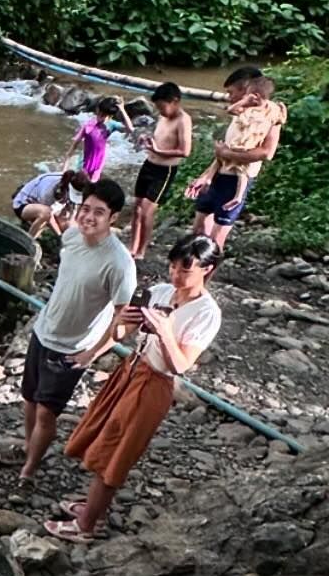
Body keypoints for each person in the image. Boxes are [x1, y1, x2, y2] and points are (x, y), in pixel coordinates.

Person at [46, 234, 223, 542]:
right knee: (103, 436)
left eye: (185, 270)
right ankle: (92, 510)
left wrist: (165, 331)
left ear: (206, 270)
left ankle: (86, 526)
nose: (175, 276)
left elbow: (181, 365)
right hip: (131, 369)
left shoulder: (207, 313)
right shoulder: (162, 292)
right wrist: (122, 321)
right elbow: (121, 333)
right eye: (172, 268)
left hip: (155, 382)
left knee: (117, 452)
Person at [19, 178, 137, 486]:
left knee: (47, 412)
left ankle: (29, 469)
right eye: (85, 209)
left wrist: (91, 353)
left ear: (113, 218)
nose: (89, 217)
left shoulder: (119, 264)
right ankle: (26, 446)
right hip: (44, 331)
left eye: (99, 212)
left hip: (73, 347)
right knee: (29, 400)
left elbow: (126, 319)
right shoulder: (71, 237)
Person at [187, 69, 287, 247]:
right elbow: (226, 148)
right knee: (198, 231)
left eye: (231, 92)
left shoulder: (269, 115)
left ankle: (205, 273)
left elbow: (267, 153)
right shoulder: (241, 112)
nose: (229, 97)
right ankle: (192, 272)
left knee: (215, 241)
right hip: (219, 173)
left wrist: (227, 154)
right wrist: (206, 176)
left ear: (246, 91)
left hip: (237, 179)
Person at [128, 82, 193, 260]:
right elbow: (159, 137)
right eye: (158, 107)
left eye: (162, 107)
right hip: (149, 164)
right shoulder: (163, 117)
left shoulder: (183, 120)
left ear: (175, 101)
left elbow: (185, 151)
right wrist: (147, 139)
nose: (160, 111)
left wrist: (160, 152)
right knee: (137, 208)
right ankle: (132, 247)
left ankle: (141, 250)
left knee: (147, 210)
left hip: (164, 170)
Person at [65, 96, 132, 184]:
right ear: (97, 110)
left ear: (111, 116)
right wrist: (64, 170)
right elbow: (73, 147)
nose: (102, 117)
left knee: (92, 185)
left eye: (106, 116)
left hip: (99, 161)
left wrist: (122, 110)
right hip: (85, 161)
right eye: (101, 114)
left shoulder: (111, 125)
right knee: (79, 183)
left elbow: (130, 129)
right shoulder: (88, 125)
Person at [13, 170, 90, 240]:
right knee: (45, 214)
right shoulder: (50, 190)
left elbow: (72, 214)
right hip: (24, 204)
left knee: (69, 227)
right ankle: (29, 241)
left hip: (46, 206)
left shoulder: (70, 184)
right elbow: (49, 216)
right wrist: (59, 235)